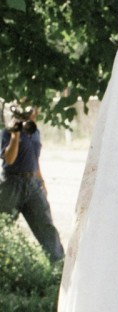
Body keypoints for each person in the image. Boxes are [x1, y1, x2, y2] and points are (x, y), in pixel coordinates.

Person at [0, 106, 64, 262]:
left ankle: (59, 267)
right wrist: (15, 137)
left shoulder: (35, 132)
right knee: (3, 227)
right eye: (29, 112)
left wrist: (41, 181)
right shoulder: (7, 132)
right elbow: (9, 159)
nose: (33, 114)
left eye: (35, 111)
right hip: (11, 184)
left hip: (33, 184)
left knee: (46, 226)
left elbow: (35, 159)